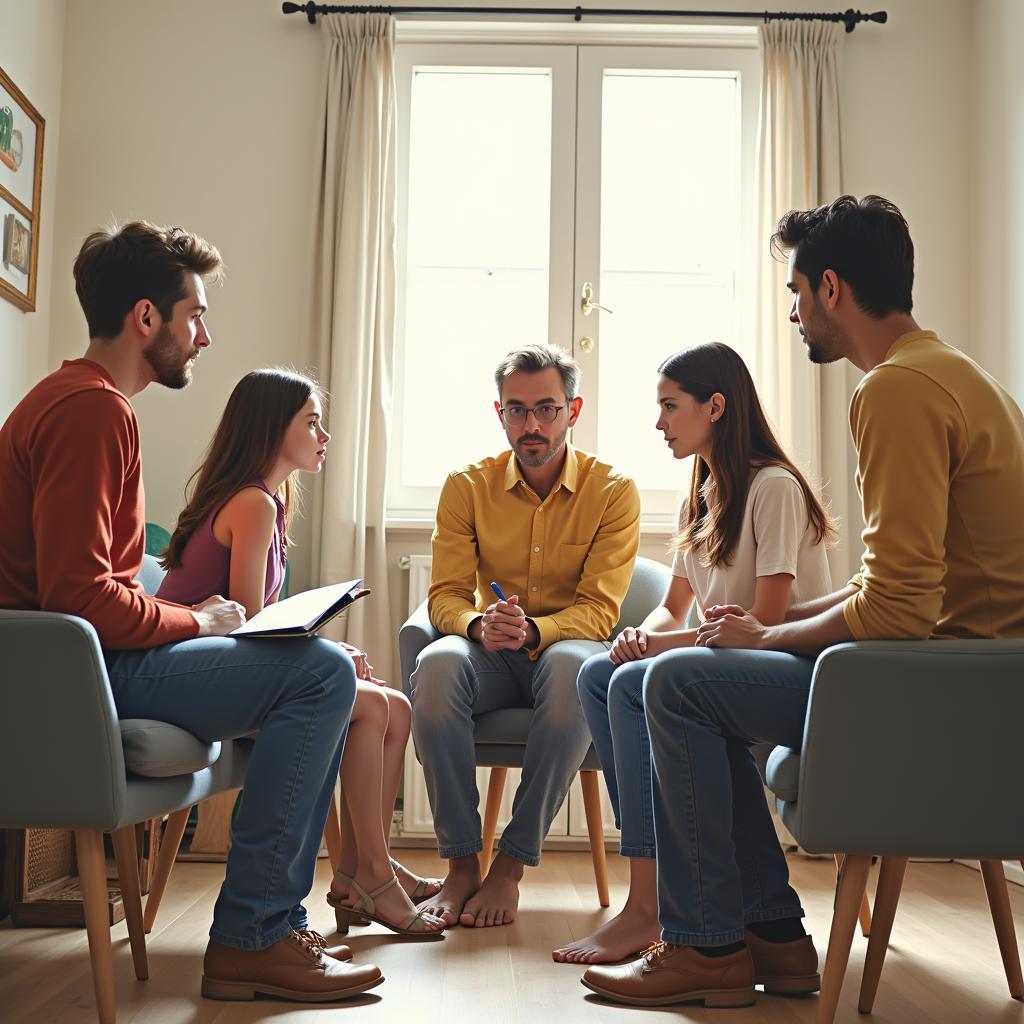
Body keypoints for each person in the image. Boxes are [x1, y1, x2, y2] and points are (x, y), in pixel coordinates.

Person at [582, 195, 1024, 1008]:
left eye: (794, 292)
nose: (793, 313)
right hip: (970, 684)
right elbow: (899, 584)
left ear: (831, 287)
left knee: (674, 684)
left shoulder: (896, 390)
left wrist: (769, 634)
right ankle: (775, 939)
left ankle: (707, 944)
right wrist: (763, 634)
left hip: (943, 696)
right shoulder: (956, 375)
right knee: (677, 683)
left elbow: (895, 610)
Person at [0, 222, 382, 1003]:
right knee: (314, 675)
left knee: (318, 669)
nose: (203, 336)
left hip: (83, 662)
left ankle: (272, 925)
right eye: (195, 315)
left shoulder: (82, 401)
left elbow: (92, 582)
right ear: (148, 319)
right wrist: (198, 620)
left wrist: (187, 616)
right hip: (76, 673)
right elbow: (79, 598)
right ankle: (255, 936)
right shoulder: (90, 412)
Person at [553, 342, 834, 966]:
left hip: (796, 669)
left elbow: (764, 621)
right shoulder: (699, 499)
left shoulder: (773, 488)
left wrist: (659, 647)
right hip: (730, 666)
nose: (659, 423)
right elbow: (674, 608)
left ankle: (658, 909)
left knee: (633, 684)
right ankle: (663, 893)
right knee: (604, 672)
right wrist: (639, 638)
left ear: (716, 406)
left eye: (669, 407)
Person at [157, 368, 444, 938]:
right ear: (270, 430)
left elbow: (256, 621)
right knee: (376, 707)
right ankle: (369, 876)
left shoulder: (267, 501)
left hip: (219, 667)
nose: (324, 435)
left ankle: (365, 868)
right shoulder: (251, 504)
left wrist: (325, 646)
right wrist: (324, 652)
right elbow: (245, 625)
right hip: (198, 674)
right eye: (311, 422)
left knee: (397, 706)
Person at [410, 343, 641, 928]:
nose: (531, 424)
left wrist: (536, 629)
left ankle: (509, 867)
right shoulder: (466, 486)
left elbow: (599, 609)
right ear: (499, 413)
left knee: (571, 667)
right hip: (490, 655)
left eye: (546, 408)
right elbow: (444, 596)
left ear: (573, 409)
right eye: (517, 410)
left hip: (563, 650)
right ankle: (462, 866)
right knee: (437, 664)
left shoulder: (613, 491)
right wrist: (476, 626)